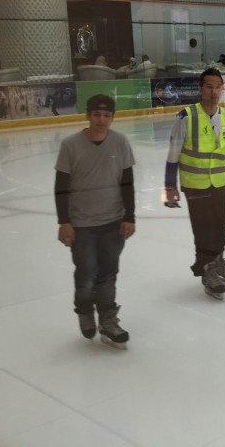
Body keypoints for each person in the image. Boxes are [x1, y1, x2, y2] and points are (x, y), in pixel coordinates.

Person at [164, 68, 225, 300]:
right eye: (209, 86)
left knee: (219, 224)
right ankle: (207, 270)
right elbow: (173, 155)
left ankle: (218, 261)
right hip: (195, 184)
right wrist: (170, 187)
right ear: (200, 89)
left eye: (218, 86)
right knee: (203, 227)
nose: (214, 91)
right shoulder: (186, 117)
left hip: (219, 182)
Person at [54, 94, 135, 348]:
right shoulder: (71, 145)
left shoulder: (120, 142)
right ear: (88, 115)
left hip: (113, 222)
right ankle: (85, 309)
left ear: (113, 117)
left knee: (108, 275)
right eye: (97, 115)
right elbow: (61, 187)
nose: (102, 120)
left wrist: (129, 217)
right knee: (87, 275)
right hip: (82, 225)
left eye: (107, 115)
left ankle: (108, 320)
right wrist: (64, 222)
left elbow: (127, 183)